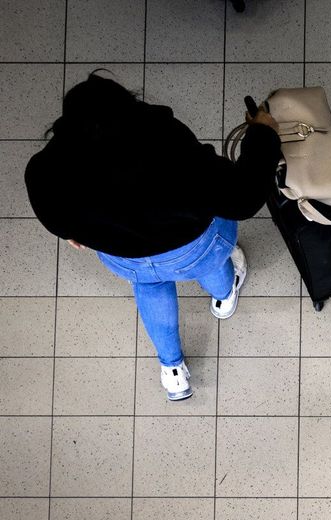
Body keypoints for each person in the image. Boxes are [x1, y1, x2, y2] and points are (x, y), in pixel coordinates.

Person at [25, 72, 281, 401]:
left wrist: (74, 231)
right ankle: (223, 297)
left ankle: (172, 371)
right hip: (191, 247)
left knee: (149, 287)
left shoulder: (47, 169)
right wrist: (262, 134)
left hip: (126, 258)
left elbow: (60, 224)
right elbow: (242, 197)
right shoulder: (165, 143)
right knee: (212, 262)